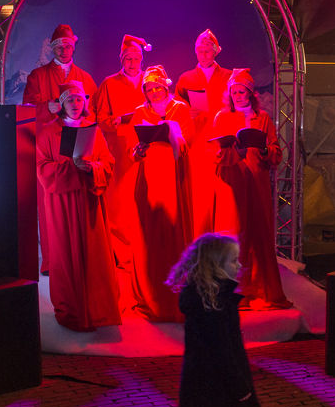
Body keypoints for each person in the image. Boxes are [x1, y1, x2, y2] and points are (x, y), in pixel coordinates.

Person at [153, 233, 284, 407]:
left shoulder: (205, 296)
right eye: (234, 260)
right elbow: (223, 349)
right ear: (217, 264)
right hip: (217, 380)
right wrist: (240, 387)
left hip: (203, 378)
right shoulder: (216, 302)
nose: (240, 265)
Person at [36, 82, 121, 332]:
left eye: (79, 100)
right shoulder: (48, 132)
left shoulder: (92, 129)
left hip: (88, 198)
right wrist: (70, 166)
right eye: (70, 100)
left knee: (93, 251)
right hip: (62, 201)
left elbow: (107, 161)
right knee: (67, 252)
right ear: (62, 103)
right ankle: (72, 309)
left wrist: (92, 167)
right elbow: (42, 168)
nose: (75, 104)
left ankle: (97, 309)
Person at [211, 69, 291, 309]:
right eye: (234, 92)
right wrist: (233, 151)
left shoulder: (263, 118)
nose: (237, 95)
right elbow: (215, 153)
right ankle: (234, 292)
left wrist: (265, 151)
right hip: (232, 182)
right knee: (234, 234)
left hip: (256, 182)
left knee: (258, 233)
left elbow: (276, 152)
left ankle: (258, 289)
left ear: (250, 94)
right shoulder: (222, 117)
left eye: (241, 92)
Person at [23, 24, 98, 276]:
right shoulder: (38, 76)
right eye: (59, 46)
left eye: (68, 45)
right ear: (52, 48)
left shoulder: (86, 78)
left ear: (74, 46)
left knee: (83, 202)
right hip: (51, 145)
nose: (64, 50)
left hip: (81, 144)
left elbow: (93, 113)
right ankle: (53, 261)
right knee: (51, 207)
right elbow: (26, 110)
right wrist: (48, 107)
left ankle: (84, 258)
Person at [90, 35, 151, 313]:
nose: (132, 62)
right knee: (119, 203)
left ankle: (145, 251)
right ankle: (122, 255)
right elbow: (99, 118)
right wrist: (114, 122)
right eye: (127, 58)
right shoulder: (109, 84)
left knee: (145, 199)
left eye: (136, 58)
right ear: (121, 60)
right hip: (119, 149)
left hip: (147, 151)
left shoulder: (150, 81)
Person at [131, 66, 195, 322]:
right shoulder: (139, 112)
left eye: (158, 87)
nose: (154, 92)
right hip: (148, 178)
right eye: (149, 88)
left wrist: (173, 133)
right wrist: (139, 148)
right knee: (150, 233)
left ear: (165, 86)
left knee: (171, 228)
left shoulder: (180, 108)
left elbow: (188, 142)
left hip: (172, 176)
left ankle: (175, 291)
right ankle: (150, 290)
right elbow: (131, 151)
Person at [175, 29, 233, 235]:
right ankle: (196, 237)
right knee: (198, 193)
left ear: (216, 51)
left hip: (221, 142)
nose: (204, 54)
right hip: (197, 142)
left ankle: (223, 238)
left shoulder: (228, 77)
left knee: (223, 193)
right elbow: (175, 110)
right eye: (200, 50)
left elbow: (238, 104)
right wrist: (187, 112)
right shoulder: (186, 78)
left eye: (208, 51)